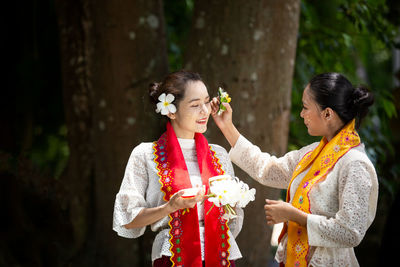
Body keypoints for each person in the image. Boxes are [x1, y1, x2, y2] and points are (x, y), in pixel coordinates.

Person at [211, 72, 378, 267]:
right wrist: (228, 127)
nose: (301, 114)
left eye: (306, 107)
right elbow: (268, 169)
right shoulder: (312, 153)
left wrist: (294, 215)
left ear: (327, 114)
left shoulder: (355, 163)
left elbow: (351, 232)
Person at [112, 70, 243, 267]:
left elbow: (233, 218)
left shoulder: (219, 155)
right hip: (173, 257)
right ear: (171, 111)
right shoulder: (146, 155)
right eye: (195, 105)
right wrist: (170, 207)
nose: (205, 111)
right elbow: (127, 219)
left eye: (207, 102)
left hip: (220, 254)